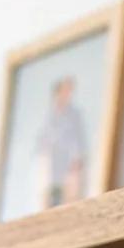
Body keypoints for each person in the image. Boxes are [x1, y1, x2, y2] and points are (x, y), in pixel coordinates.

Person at [35, 76, 88, 207]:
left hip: (70, 164)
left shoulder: (75, 115)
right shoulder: (49, 117)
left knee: (70, 198)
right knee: (50, 199)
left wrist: (77, 161)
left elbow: (79, 140)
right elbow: (42, 142)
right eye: (65, 91)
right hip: (53, 164)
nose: (67, 95)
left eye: (69, 91)